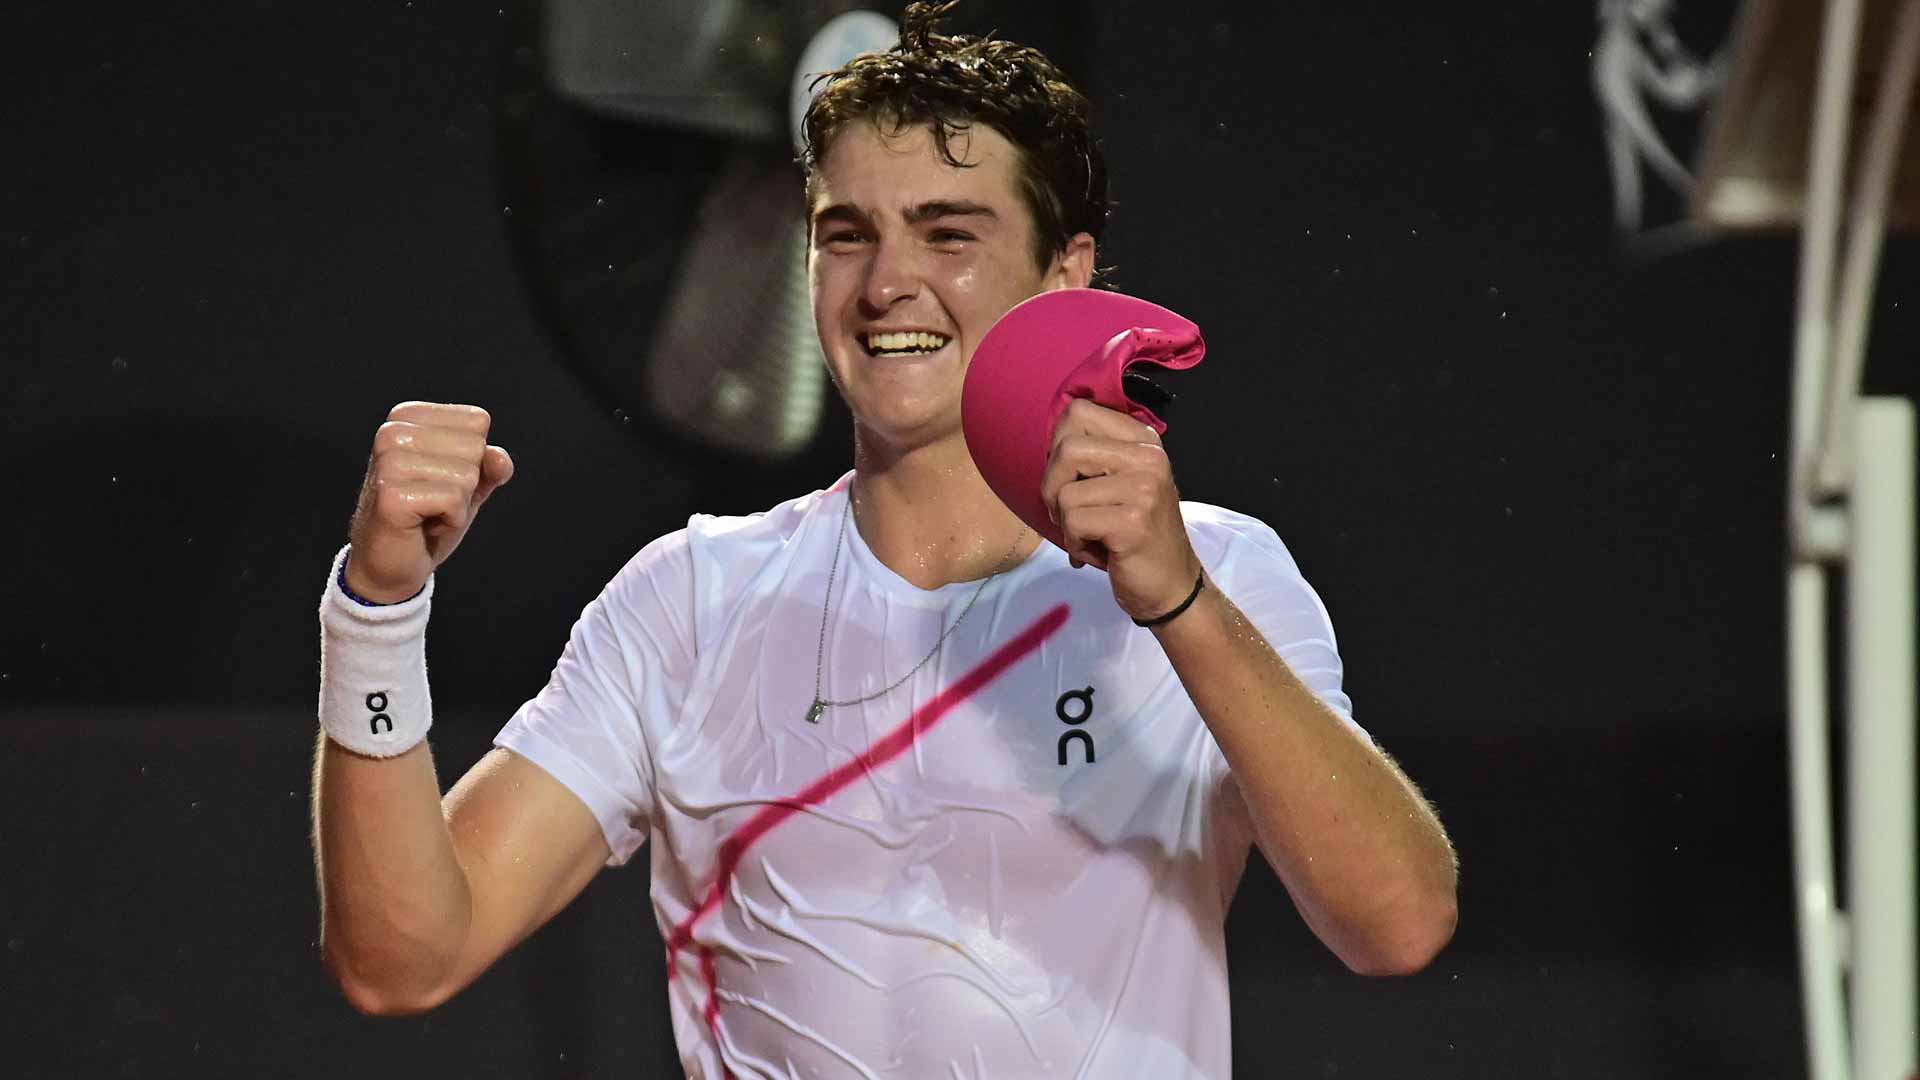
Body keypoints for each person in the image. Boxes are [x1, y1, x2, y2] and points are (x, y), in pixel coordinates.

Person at [311, 3, 1458, 1076]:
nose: (889, 283)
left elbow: (1397, 925)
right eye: (846, 235)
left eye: (947, 232)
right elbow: (402, 959)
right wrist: (375, 612)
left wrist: (1179, 604)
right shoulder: (689, 602)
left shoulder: (1224, 575)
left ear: (1066, 273)